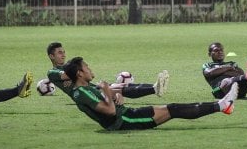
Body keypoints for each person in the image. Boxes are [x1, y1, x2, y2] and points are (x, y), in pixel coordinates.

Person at [64, 56, 238, 131]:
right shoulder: (82, 92)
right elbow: (109, 111)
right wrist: (108, 92)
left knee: (173, 109)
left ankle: (223, 105)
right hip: (125, 121)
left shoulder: (84, 89)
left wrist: (114, 96)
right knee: (174, 110)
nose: (89, 68)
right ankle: (223, 105)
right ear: (79, 73)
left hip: (125, 117)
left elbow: (110, 104)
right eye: (86, 66)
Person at [46, 41, 168, 99]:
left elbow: (73, 74)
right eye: (59, 53)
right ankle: (154, 89)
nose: (63, 54)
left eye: (64, 52)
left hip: (92, 87)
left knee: (119, 85)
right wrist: (72, 76)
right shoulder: (52, 72)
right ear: (52, 56)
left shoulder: (68, 65)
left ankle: (154, 87)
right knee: (117, 89)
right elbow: (68, 75)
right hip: (86, 94)